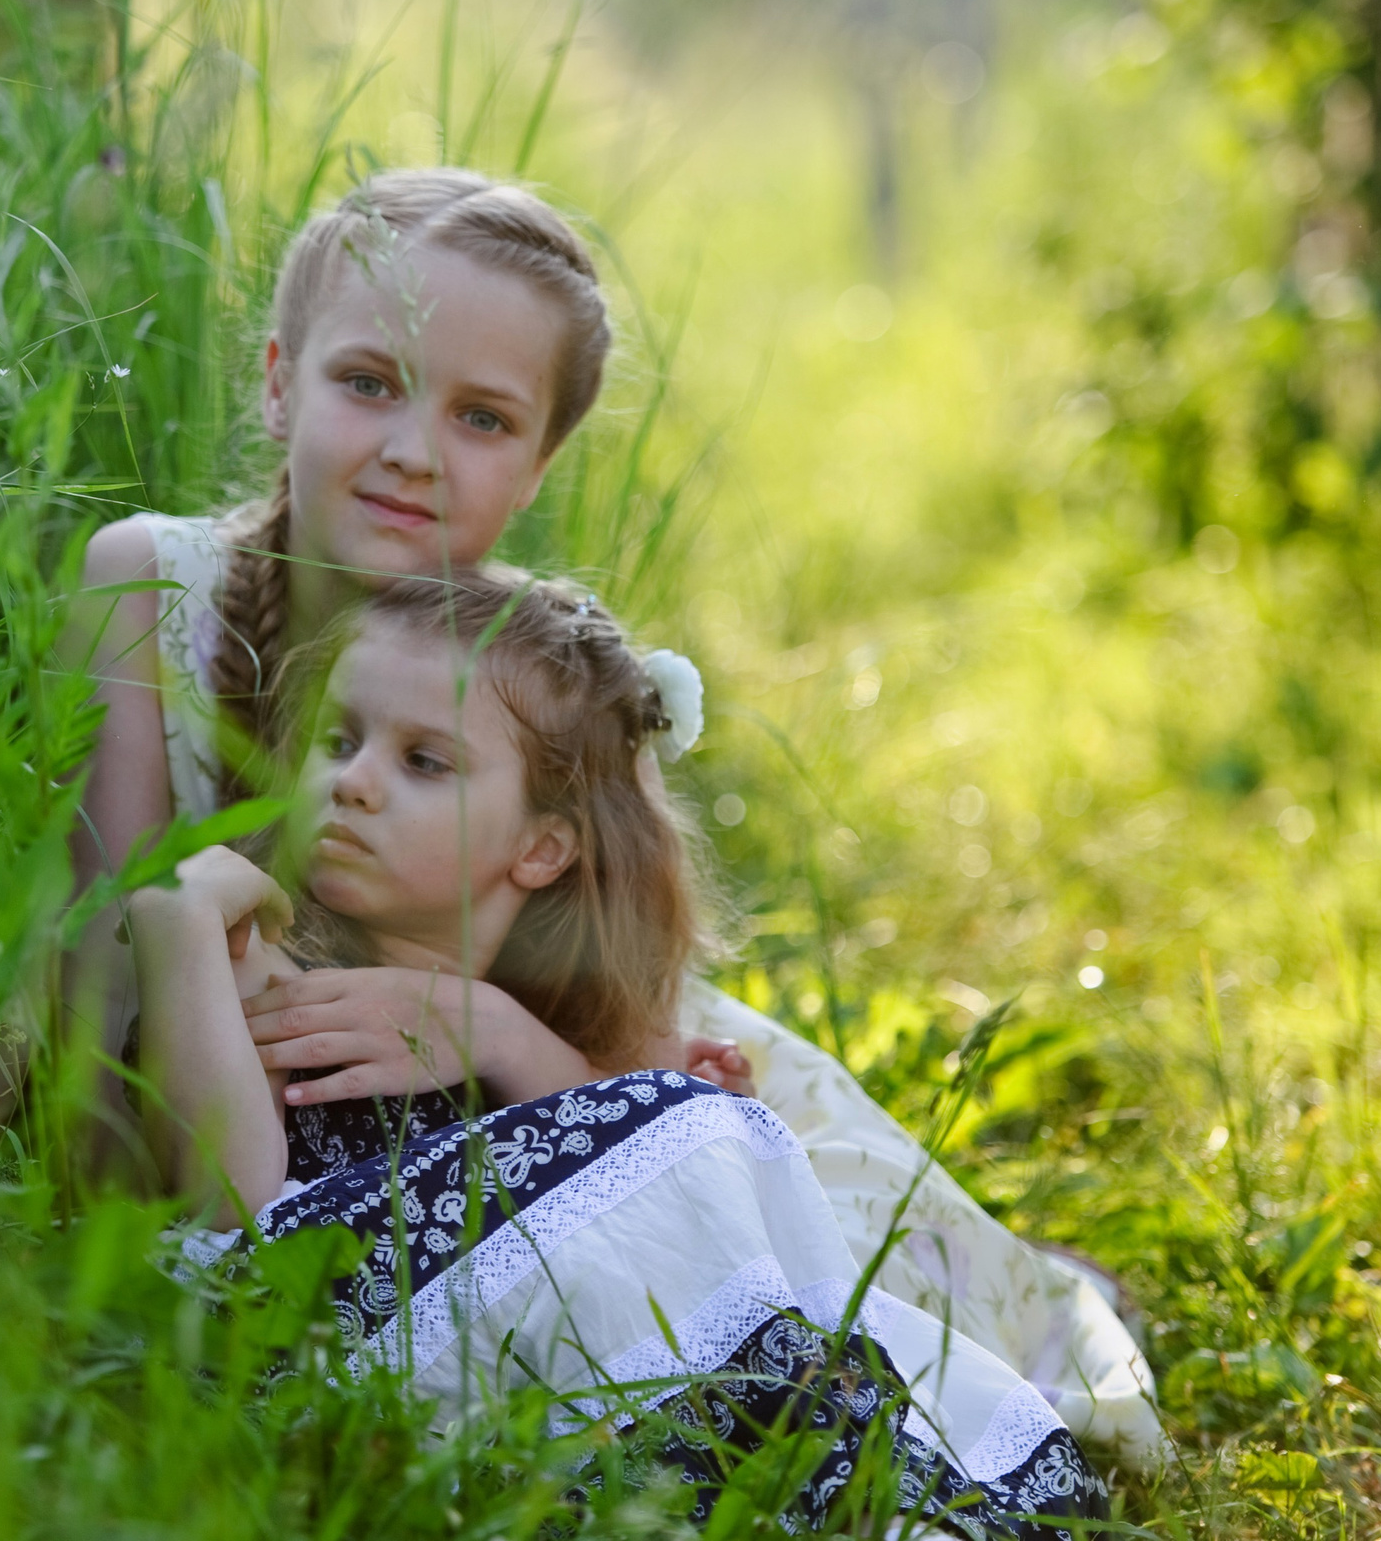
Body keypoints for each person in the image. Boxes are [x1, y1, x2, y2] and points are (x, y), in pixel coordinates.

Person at [62, 166, 1162, 1463]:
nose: (414, 450)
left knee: (831, 1293)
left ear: (537, 466)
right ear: (274, 381)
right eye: (368, 383)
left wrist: (482, 1025)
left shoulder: (537, 669)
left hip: (568, 1077)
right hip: (276, 1136)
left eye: (482, 418)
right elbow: (99, 968)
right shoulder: (150, 584)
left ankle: (1037, 1288)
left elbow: (634, 1068)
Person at [127, 571, 1107, 1533]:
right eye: (339, 741)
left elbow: (638, 1219)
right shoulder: (262, 960)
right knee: (682, 1125)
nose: (351, 782)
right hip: (356, 1357)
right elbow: (223, 1211)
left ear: (541, 849)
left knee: (696, 1135)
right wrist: (179, 923)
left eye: (424, 762)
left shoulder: (551, 1019)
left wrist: (503, 1035)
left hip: (565, 1401)